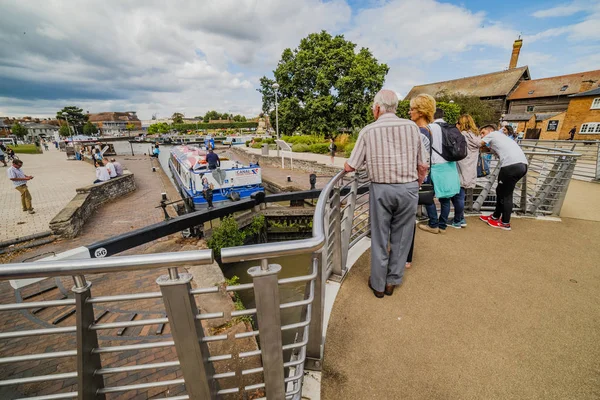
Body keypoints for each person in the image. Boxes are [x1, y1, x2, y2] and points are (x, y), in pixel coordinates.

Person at [344, 89, 428, 298]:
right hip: (408, 188)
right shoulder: (411, 127)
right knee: (402, 237)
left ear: (378, 108)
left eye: (374, 107)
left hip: (381, 188)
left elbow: (351, 166)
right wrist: (416, 183)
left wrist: (346, 165)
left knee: (380, 237)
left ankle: (379, 285)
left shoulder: (368, 130)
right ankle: (393, 281)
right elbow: (423, 164)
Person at [418, 107, 461, 234]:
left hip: (435, 166)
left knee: (428, 196)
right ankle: (442, 225)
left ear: (431, 115)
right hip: (450, 165)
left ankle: (433, 224)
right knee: (445, 198)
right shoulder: (450, 128)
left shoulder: (429, 128)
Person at [479, 124, 528, 230]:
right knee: (500, 191)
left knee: (506, 195)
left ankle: (505, 223)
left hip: (511, 166)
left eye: (483, 133)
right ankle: (495, 216)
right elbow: (486, 149)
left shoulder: (493, 134)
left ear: (490, 130)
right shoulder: (500, 138)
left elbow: (478, 144)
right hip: (521, 165)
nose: (481, 135)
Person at [450, 114, 482, 229]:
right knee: (460, 194)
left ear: (461, 124)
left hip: (460, 167)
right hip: (470, 168)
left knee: (458, 195)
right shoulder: (476, 136)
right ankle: (461, 218)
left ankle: (457, 220)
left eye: (458, 123)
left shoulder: (462, 135)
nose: (456, 125)